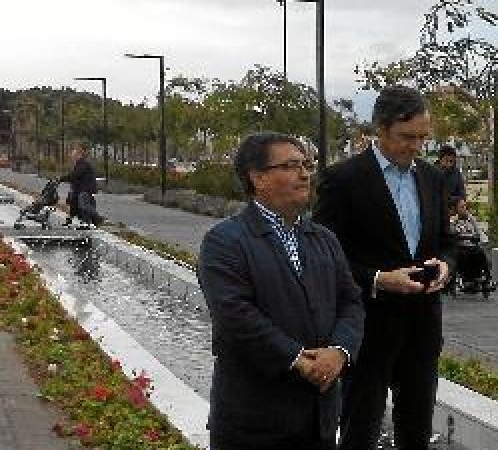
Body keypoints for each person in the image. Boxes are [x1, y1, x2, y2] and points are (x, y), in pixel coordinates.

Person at [197, 132, 363, 450]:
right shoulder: (225, 241)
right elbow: (235, 315)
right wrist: (298, 358)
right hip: (255, 423)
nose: (305, 174)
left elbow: (351, 301)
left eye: (307, 165)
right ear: (258, 177)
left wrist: (339, 351)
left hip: (320, 420)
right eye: (291, 165)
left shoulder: (323, 239)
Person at [314, 86, 456, 450]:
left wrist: (446, 265)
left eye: (422, 137)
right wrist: (377, 279)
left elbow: (446, 241)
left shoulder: (432, 178)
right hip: (367, 326)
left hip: (423, 325)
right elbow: (326, 254)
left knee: (416, 427)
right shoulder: (343, 179)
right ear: (380, 129)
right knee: (360, 427)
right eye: (406, 137)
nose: (415, 146)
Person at [61, 144, 99, 228]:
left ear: (78, 155)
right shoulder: (79, 164)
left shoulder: (83, 163)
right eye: (72, 154)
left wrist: (61, 179)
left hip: (86, 189)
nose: (71, 156)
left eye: (73, 154)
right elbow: (75, 178)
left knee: (83, 205)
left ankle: (96, 218)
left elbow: (75, 175)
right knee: (74, 202)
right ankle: (72, 220)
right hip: (80, 189)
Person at [436, 145, 469, 220]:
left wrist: (460, 202)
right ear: (440, 160)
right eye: (446, 161)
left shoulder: (456, 173)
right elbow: (437, 196)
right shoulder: (434, 173)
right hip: (438, 210)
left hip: (455, 207)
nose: (449, 164)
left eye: (451, 161)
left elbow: (462, 192)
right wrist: (456, 200)